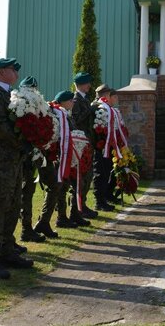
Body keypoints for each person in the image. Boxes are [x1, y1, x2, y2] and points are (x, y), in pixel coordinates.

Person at [0, 57, 34, 280]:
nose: (17, 74)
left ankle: (6, 251)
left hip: (13, 159)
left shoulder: (8, 94)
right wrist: (24, 141)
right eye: (13, 69)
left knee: (13, 206)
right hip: (0, 160)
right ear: (0, 72)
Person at [37, 90, 75, 234]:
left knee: (62, 186)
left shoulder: (64, 114)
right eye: (70, 100)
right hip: (54, 157)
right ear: (63, 101)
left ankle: (60, 217)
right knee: (56, 186)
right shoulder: (56, 113)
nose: (72, 103)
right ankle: (44, 221)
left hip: (62, 156)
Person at [17, 76, 47, 243]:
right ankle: (24, 229)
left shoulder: (37, 104)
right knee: (23, 195)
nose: (33, 91)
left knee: (29, 192)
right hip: (22, 156)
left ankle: (27, 229)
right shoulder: (20, 103)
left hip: (33, 155)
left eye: (34, 88)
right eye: (30, 88)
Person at [70, 72, 97, 222]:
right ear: (80, 84)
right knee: (81, 178)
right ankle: (77, 209)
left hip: (88, 142)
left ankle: (82, 205)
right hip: (80, 143)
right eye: (87, 83)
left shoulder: (84, 99)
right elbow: (76, 120)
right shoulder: (76, 100)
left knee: (87, 177)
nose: (89, 86)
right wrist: (89, 110)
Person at [91, 84, 118, 212]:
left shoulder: (105, 107)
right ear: (105, 95)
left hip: (106, 145)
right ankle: (99, 201)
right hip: (99, 146)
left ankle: (104, 198)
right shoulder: (97, 106)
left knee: (105, 172)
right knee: (100, 173)